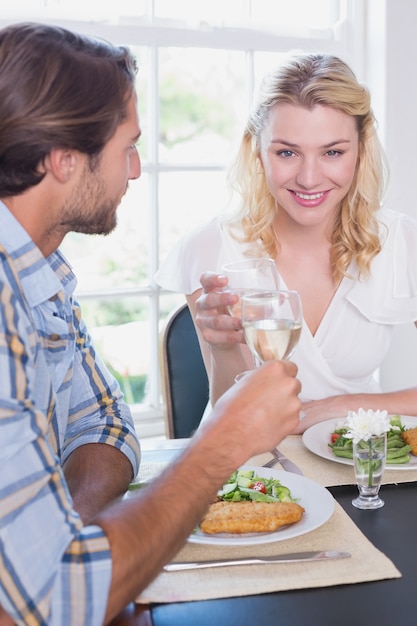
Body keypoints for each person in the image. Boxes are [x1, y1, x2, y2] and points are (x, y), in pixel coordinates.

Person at [0, 22, 302, 625]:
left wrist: (75, 541)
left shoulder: (40, 273)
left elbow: (105, 420)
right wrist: (221, 440)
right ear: (64, 161)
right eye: (127, 147)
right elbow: (55, 604)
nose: (135, 171)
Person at [156, 52, 417, 434]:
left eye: (332, 152)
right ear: (258, 151)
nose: (309, 179)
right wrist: (224, 346)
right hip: (250, 466)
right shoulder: (211, 247)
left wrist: (333, 408)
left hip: (357, 460)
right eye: (287, 152)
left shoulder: (400, 241)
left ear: (360, 150)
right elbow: (231, 414)